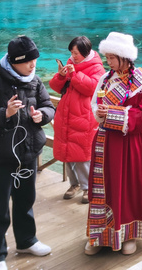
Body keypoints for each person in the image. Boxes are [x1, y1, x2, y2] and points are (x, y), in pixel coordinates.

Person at [0, 36, 55, 270]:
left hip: (28, 153)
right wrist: (3, 114)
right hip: (0, 157)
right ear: (14, 61)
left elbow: (48, 106)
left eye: (35, 60)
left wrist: (42, 116)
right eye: (28, 62)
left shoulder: (34, 81)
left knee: (26, 200)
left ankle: (26, 241)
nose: (33, 65)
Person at [84, 32, 142, 256]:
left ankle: (128, 234)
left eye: (112, 57)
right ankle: (100, 234)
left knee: (127, 187)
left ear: (124, 57)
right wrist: (100, 113)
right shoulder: (106, 78)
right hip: (104, 142)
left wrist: (113, 114)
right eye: (107, 57)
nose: (108, 61)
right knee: (102, 188)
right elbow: (95, 104)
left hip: (128, 145)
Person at [48, 36, 105, 204]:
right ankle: (74, 185)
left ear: (86, 52)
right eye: (72, 52)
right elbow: (56, 87)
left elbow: (91, 89)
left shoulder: (97, 68)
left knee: (83, 155)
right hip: (66, 115)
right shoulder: (70, 63)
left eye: (76, 53)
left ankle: (88, 188)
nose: (73, 56)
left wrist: (74, 74)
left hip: (84, 116)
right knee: (67, 153)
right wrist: (60, 75)